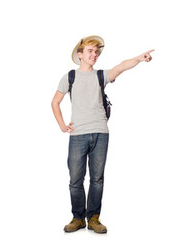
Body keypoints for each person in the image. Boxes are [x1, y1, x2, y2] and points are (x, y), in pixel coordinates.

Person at [51, 35, 153, 234]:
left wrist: (139, 58)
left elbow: (121, 67)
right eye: (90, 51)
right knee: (75, 180)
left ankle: (94, 218)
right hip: (78, 135)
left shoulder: (101, 76)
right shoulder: (70, 76)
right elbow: (55, 102)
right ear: (80, 55)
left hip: (100, 133)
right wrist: (62, 125)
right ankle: (78, 218)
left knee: (97, 179)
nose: (94, 54)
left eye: (96, 52)